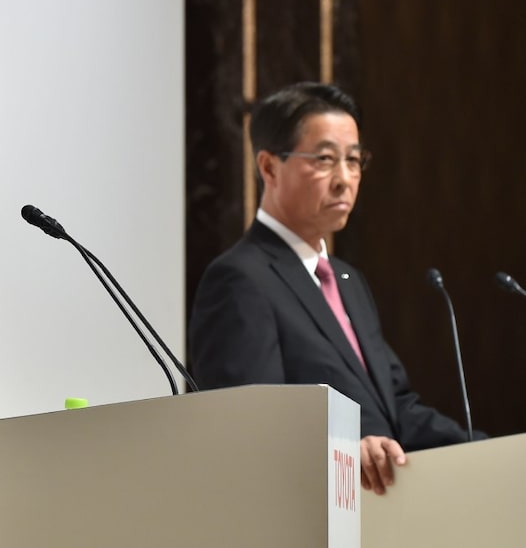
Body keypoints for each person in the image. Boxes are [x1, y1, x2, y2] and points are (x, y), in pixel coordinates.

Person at [189, 82, 478, 496]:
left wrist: (489, 451)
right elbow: (248, 424)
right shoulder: (239, 280)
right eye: (325, 159)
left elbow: (395, 407)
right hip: (312, 514)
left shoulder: (348, 280)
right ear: (269, 167)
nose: (345, 179)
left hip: (381, 511)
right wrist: (342, 451)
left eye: (354, 161)